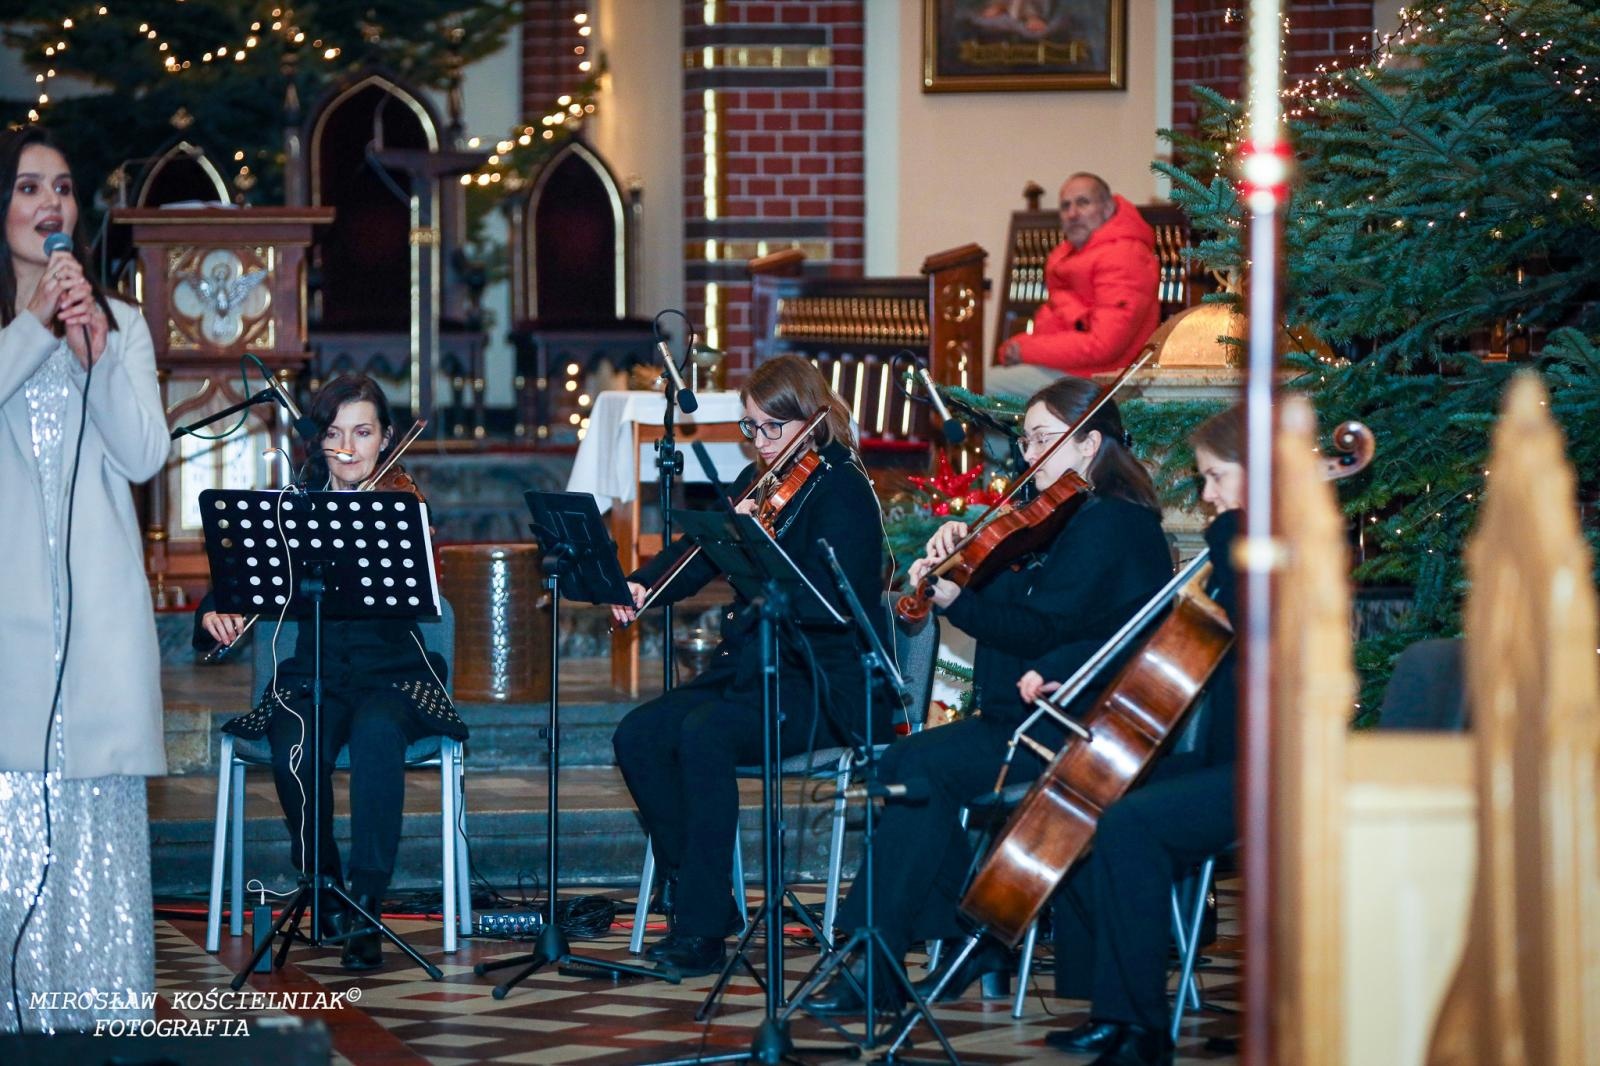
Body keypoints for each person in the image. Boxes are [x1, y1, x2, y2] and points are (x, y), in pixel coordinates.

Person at [805, 375, 1172, 1016]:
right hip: (1022, 717)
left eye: (1042, 440)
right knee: (901, 766)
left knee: (916, 768)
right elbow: (1020, 609)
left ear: (1089, 445)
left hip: (1080, 729)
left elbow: (1042, 629)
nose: (1029, 455)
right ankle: (967, 929)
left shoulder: (1113, 525)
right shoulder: (1054, 523)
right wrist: (959, 558)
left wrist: (961, 601)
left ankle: (891, 956)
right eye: (1026, 440)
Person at [611, 354, 889, 977]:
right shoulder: (757, 486)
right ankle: (700, 889)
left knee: (704, 734)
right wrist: (641, 588)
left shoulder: (842, 487)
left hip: (822, 681)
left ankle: (702, 929)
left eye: (771, 428)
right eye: (750, 428)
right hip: (754, 670)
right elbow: (695, 556)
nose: (759, 444)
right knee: (638, 734)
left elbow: (832, 601)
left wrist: (761, 554)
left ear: (812, 421)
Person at [194, 373, 464, 971]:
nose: (348, 447)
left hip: (393, 673)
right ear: (319, 442)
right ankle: (326, 886)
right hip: (314, 671)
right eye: (335, 434)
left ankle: (368, 901)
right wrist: (217, 608)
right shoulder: (296, 507)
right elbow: (236, 578)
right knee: (294, 737)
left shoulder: (401, 503)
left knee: (375, 734)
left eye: (363, 433)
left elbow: (423, 599)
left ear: (385, 437)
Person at [0, 127, 168, 1033]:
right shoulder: (12, 326)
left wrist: (92, 346)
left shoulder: (122, 322)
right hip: (6, 622)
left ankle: (102, 1026)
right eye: (28, 188)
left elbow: (145, 453)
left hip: (96, 626)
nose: (49, 205)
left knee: (95, 838)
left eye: (61, 188)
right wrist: (34, 327)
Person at [1043, 405, 1243, 1066]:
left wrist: (1239, 528)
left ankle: (1143, 1030)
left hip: (1271, 771)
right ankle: (1119, 1015)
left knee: (1133, 823)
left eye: (1216, 478)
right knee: (1107, 792)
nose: (1207, 495)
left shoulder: (1267, 549)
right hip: (1228, 762)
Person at [987, 172, 1160, 397]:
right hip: (1070, 370)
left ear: (1108, 208)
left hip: (1102, 379)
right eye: (1065, 206)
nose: (1073, 214)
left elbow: (1103, 345)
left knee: (977, 388)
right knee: (979, 392)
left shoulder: (1123, 256)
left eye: (1083, 203)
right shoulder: (1070, 257)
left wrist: (1025, 349)